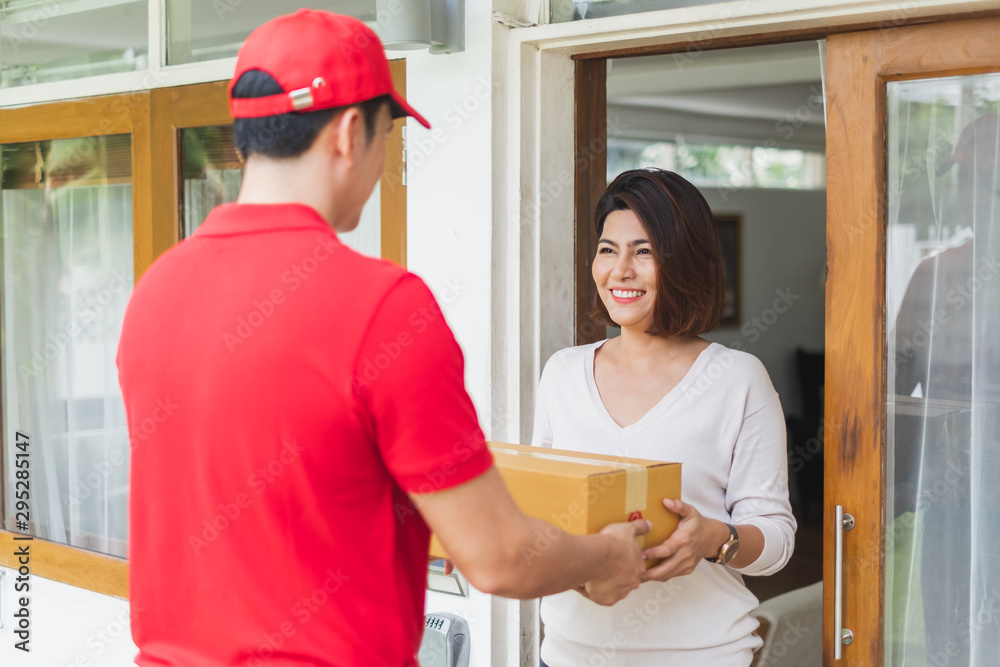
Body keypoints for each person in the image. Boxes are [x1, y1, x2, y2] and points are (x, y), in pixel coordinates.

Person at [116, 11, 649, 667]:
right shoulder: (385, 308)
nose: (382, 162)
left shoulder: (154, 292)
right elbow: (498, 555)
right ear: (348, 133)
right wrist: (607, 556)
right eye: (387, 137)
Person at [532, 169, 796, 666]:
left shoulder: (738, 379)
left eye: (645, 252)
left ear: (685, 263)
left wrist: (717, 539)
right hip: (568, 656)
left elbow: (777, 541)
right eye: (608, 249)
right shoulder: (562, 373)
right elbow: (542, 511)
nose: (621, 270)